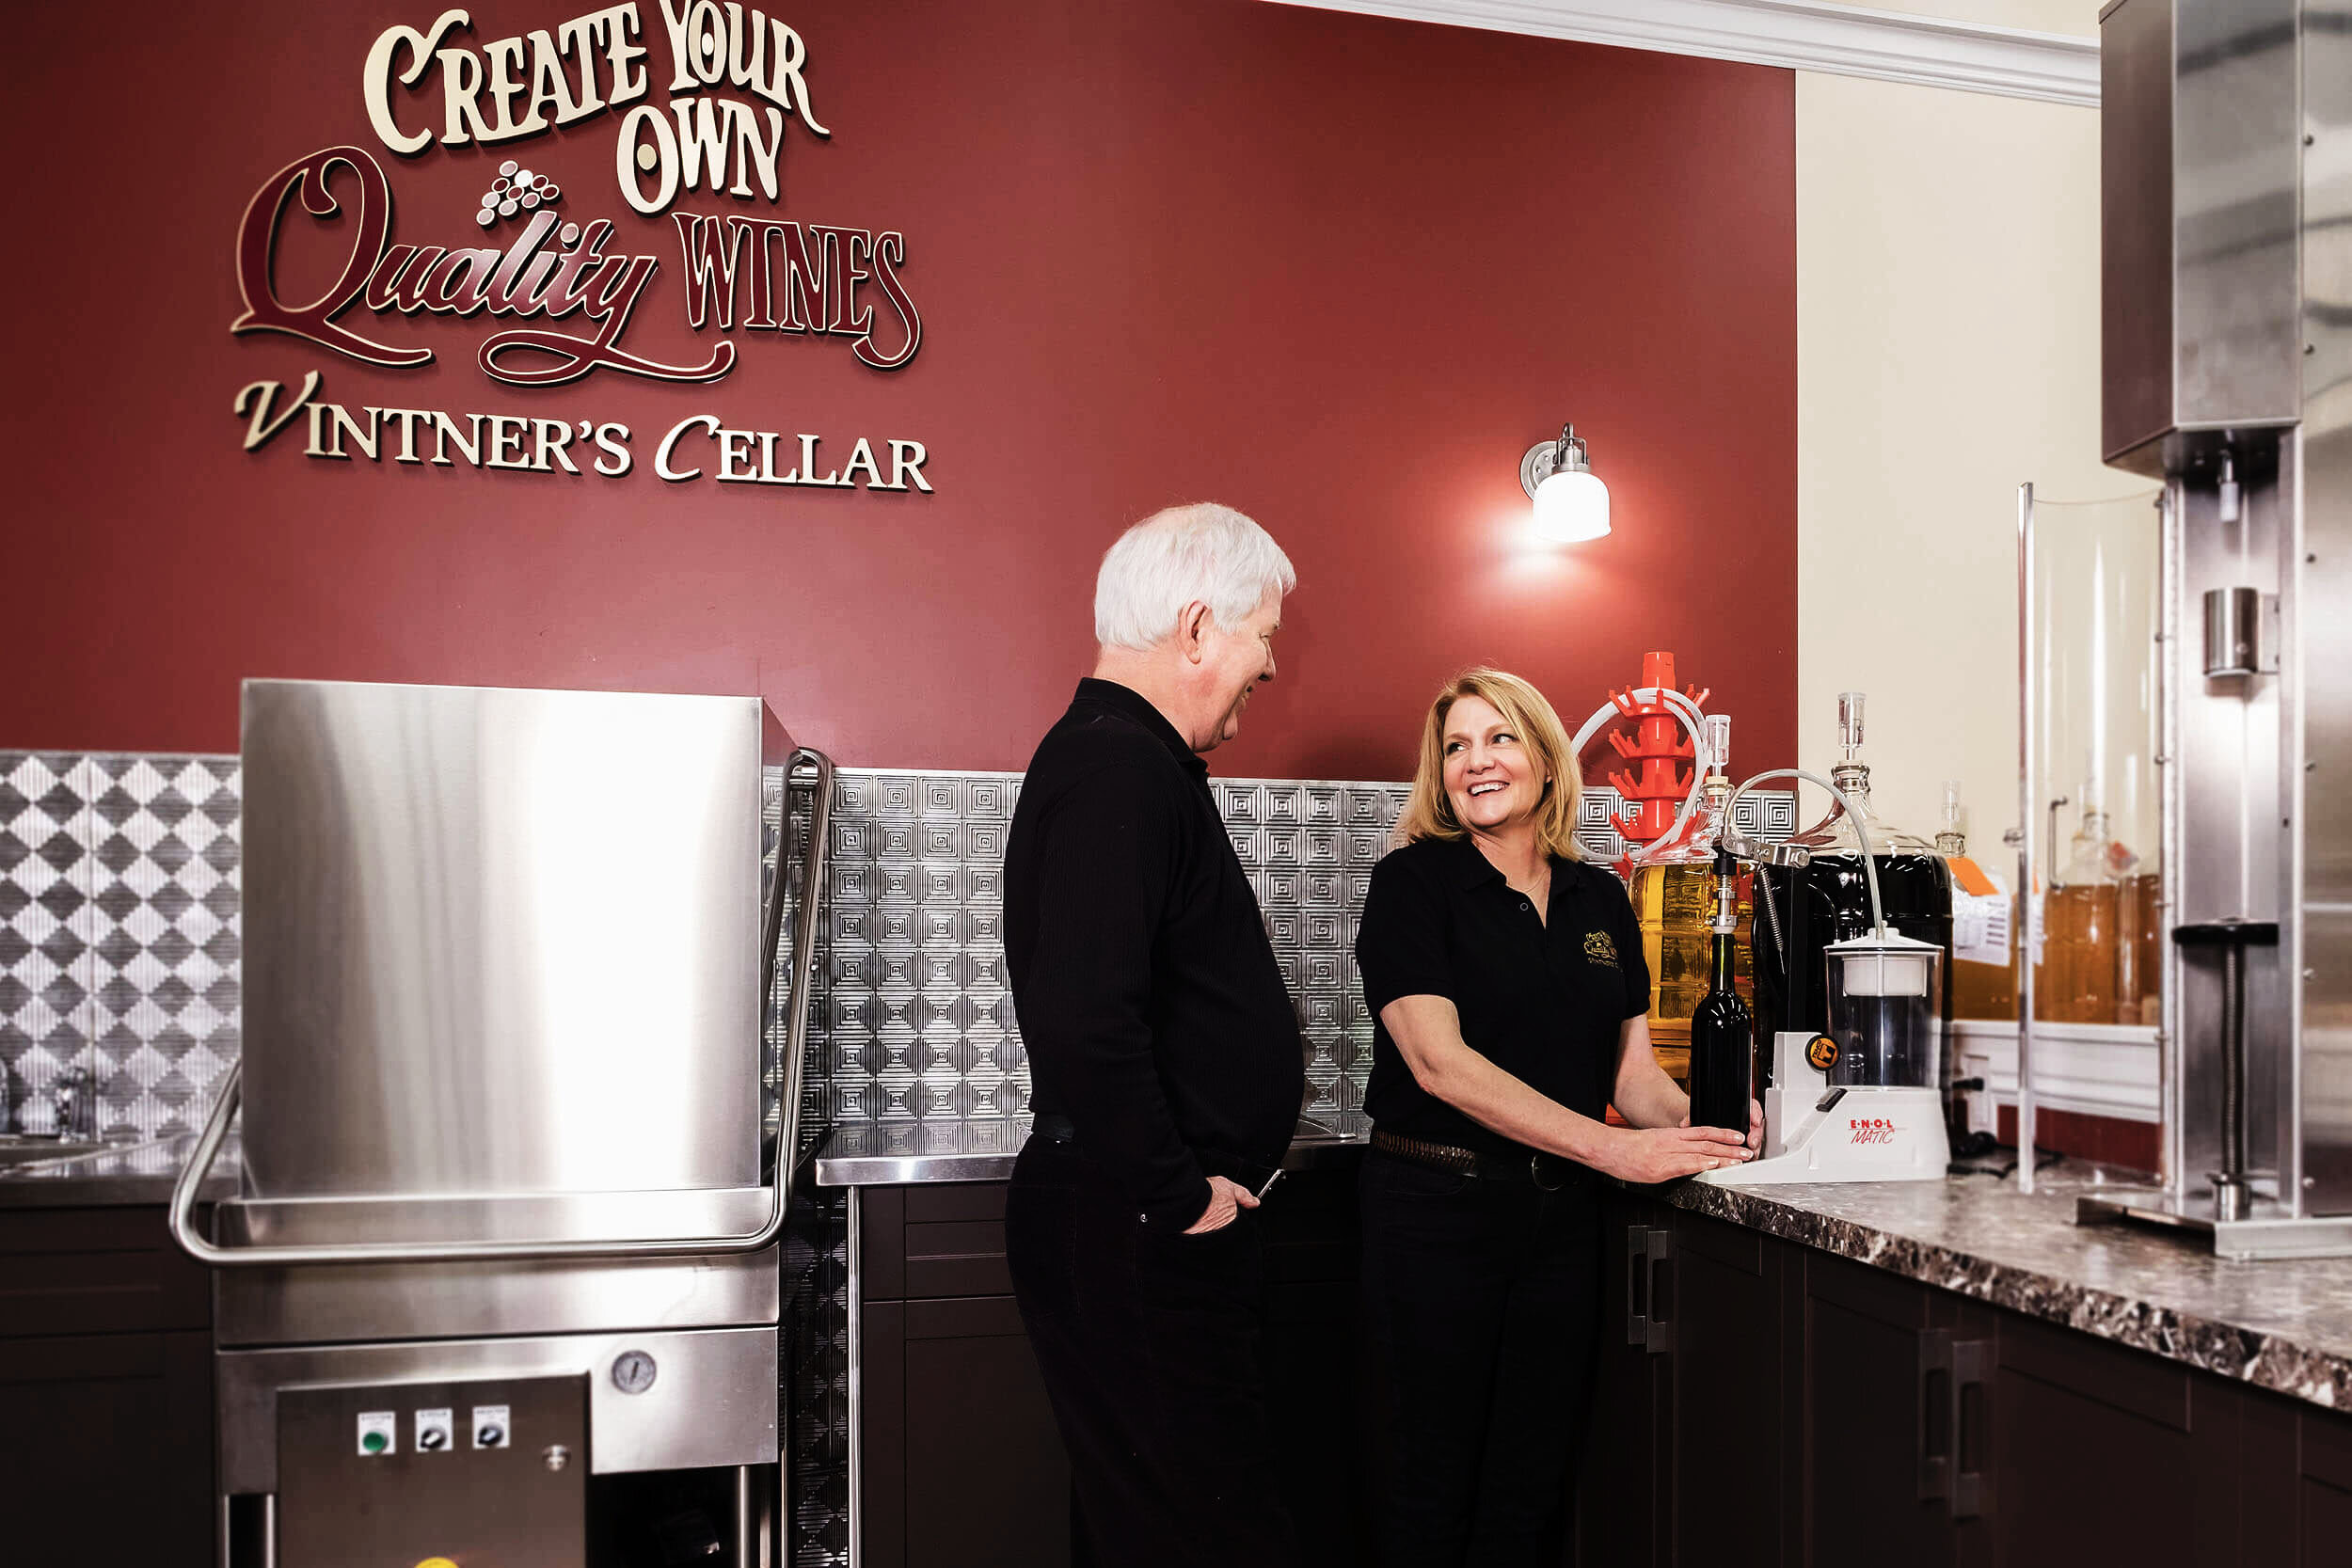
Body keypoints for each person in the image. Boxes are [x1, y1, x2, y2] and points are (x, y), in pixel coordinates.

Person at [1354, 668, 1760, 1566]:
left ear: (1544, 757)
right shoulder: (1412, 885)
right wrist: (1612, 1149)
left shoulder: (1597, 898)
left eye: (1499, 738)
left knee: (1527, 1493)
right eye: (1455, 747)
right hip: (1436, 1213)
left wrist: (1717, 1126)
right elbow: (1439, 1062)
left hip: (1560, 1228)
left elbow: (1632, 1073)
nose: (1476, 762)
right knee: (1431, 1493)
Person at [1002, 502, 1305, 1568]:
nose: (1266, 665)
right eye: (1261, 634)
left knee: (1147, 1531)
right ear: (1195, 626)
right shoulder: (1116, 767)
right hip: (1141, 1225)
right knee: (1206, 1538)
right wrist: (1177, 1196)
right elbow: (1085, 1017)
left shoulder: (1120, 759)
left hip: (1132, 1217)